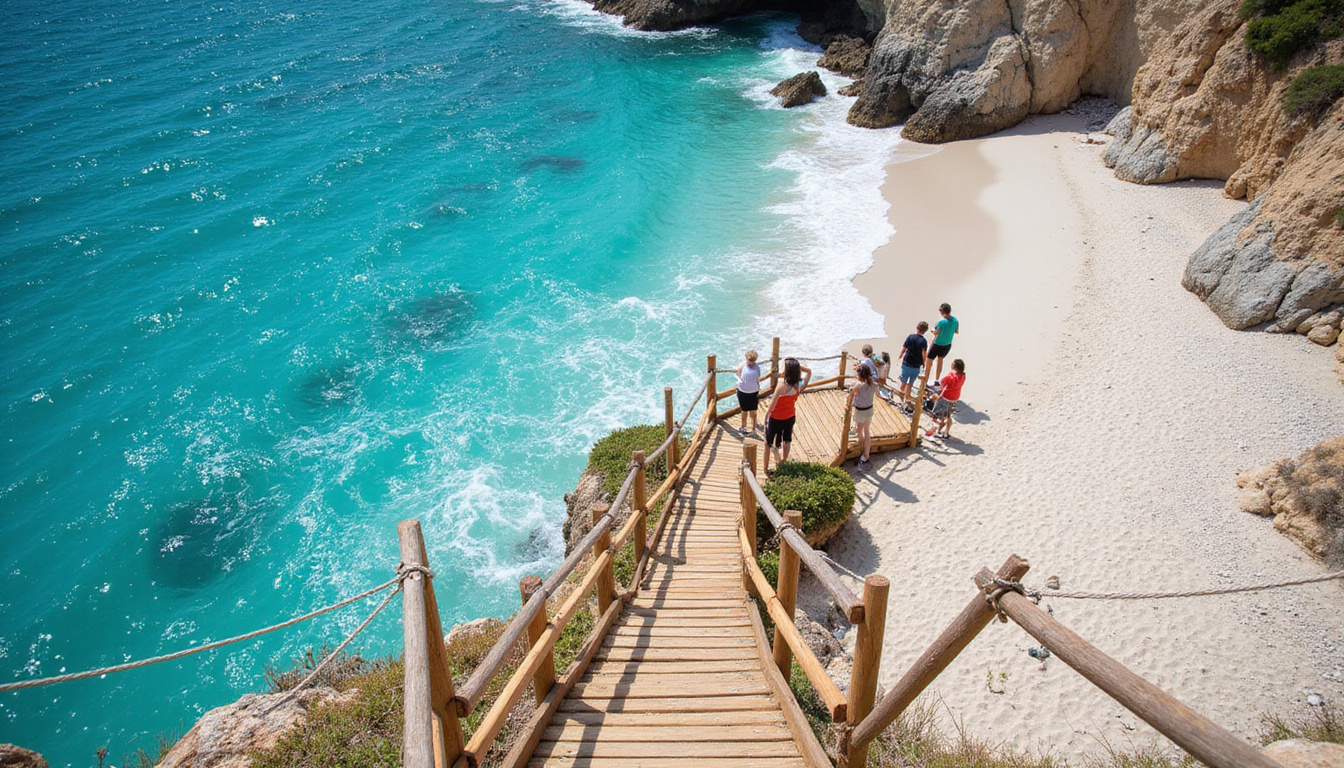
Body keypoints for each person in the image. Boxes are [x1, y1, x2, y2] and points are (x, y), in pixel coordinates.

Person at [763, 357, 811, 475]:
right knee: (787, 440)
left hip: (776, 418)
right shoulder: (798, 385)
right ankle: (784, 461)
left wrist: (766, 416)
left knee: (767, 443)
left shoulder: (781, 386)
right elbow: (809, 372)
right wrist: (797, 367)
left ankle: (765, 468)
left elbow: (772, 404)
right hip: (790, 416)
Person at [846, 363, 879, 466]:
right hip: (869, 408)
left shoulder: (859, 385)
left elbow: (852, 395)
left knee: (859, 429)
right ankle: (867, 453)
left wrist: (848, 406)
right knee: (867, 429)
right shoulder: (873, 384)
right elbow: (877, 394)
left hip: (860, 410)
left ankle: (862, 448)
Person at [925, 358, 966, 440]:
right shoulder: (963, 376)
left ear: (954, 365)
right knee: (949, 415)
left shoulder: (950, 376)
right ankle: (946, 432)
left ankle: (937, 430)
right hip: (955, 397)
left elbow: (942, 384)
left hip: (946, 397)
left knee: (937, 415)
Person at [897, 321, 930, 412]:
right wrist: (924, 364)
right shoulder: (923, 341)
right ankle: (907, 399)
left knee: (903, 383)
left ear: (917, 328)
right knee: (910, 384)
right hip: (916, 366)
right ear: (925, 331)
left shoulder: (910, 337)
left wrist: (899, 357)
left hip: (907, 363)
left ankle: (901, 400)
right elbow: (924, 354)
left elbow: (904, 349)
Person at [928, 303, 959, 381]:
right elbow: (956, 331)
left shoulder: (941, 322)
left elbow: (936, 333)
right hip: (947, 344)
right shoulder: (955, 321)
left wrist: (932, 330)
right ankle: (937, 379)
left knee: (929, 360)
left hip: (938, 344)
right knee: (940, 360)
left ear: (942, 312)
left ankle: (926, 377)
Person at [734, 350, 762, 434]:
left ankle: (753, 428)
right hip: (743, 392)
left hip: (754, 392)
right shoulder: (742, 367)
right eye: (749, 361)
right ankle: (743, 426)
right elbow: (739, 377)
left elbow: (757, 379)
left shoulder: (757, 368)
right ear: (746, 358)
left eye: (753, 361)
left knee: (753, 411)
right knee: (744, 411)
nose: (751, 363)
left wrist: (758, 389)